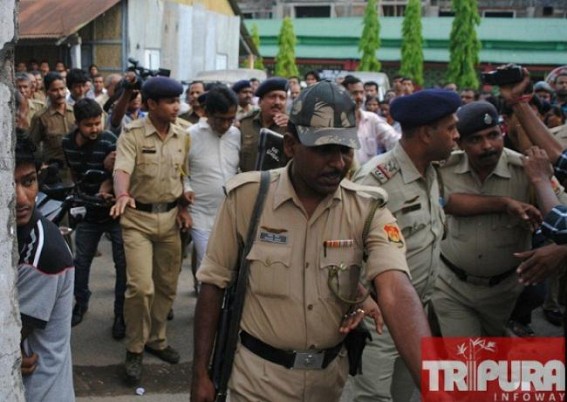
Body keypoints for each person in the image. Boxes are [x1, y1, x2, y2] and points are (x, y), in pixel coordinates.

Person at [191, 81, 431, 402]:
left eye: (345, 150)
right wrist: (200, 374)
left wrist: (435, 383)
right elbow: (213, 286)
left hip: (328, 383)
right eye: (323, 150)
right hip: (257, 381)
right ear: (290, 145)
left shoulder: (368, 208)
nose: (337, 163)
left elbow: (396, 288)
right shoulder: (247, 199)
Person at [351, 89, 461, 402]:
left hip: (417, 314)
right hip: (379, 321)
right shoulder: (376, 180)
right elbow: (346, 247)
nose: (457, 135)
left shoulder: (431, 170)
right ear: (427, 134)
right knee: (371, 397)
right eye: (450, 128)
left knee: (402, 394)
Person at [431, 100, 557, 337]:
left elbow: (561, 213)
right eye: (476, 139)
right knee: (465, 359)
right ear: (460, 143)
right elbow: (446, 202)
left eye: (493, 135)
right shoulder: (442, 170)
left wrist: (555, 250)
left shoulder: (527, 170)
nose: (488, 146)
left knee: (491, 356)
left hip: (505, 291)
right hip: (451, 286)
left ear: (503, 132)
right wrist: (503, 203)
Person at [110, 76, 192, 384]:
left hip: (170, 220)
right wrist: (122, 195)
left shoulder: (184, 134)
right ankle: (135, 347)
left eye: (178, 101)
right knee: (140, 287)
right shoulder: (132, 133)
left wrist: (184, 206)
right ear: (151, 105)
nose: (176, 106)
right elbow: (121, 168)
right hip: (137, 221)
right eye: (170, 102)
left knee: (167, 286)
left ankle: (157, 339)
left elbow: (185, 175)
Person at [61, 98, 127, 339]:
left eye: (98, 123)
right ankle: (81, 302)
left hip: (113, 212)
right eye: (88, 124)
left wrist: (107, 186)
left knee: (123, 265)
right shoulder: (67, 143)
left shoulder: (110, 140)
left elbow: (118, 172)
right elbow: (74, 173)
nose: (95, 129)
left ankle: (121, 313)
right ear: (77, 123)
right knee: (81, 261)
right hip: (87, 212)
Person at [15, 136, 75, 401]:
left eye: (28, 182)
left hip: (39, 391)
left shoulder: (42, 252)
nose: (21, 198)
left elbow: (10, 336)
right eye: (7, 184)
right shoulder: (15, 235)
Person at [186, 86, 240, 280]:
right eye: (221, 119)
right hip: (200, 214)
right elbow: (181, 172)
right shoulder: (190, 135)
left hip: (229, 215)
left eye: (230, 119)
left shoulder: (236, 135)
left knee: (227, 266)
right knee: (207, 266)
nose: (226, 124)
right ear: (207, 113)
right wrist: (186, 189)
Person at [29, 71, 76, 181]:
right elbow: (32, 146)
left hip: (76, 172)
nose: (60, 93)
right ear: (47, 92)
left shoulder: (76, 112)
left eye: (62, 89)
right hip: (55, 175)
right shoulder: (41, 117)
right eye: (54, 90)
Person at [239, 77, 289, 172]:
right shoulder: (245, 124)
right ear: (260, 102)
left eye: (282, 98)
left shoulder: (291, 127)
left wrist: (293, 127)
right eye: (272, 97)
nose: (277, 102)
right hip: (248, 182)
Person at [347, 77, 399, 163]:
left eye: (361, 93)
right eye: (354, 93)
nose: (359, 97)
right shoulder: (332, 121)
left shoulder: (372, 119)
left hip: (366, 174)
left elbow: (392, 138)